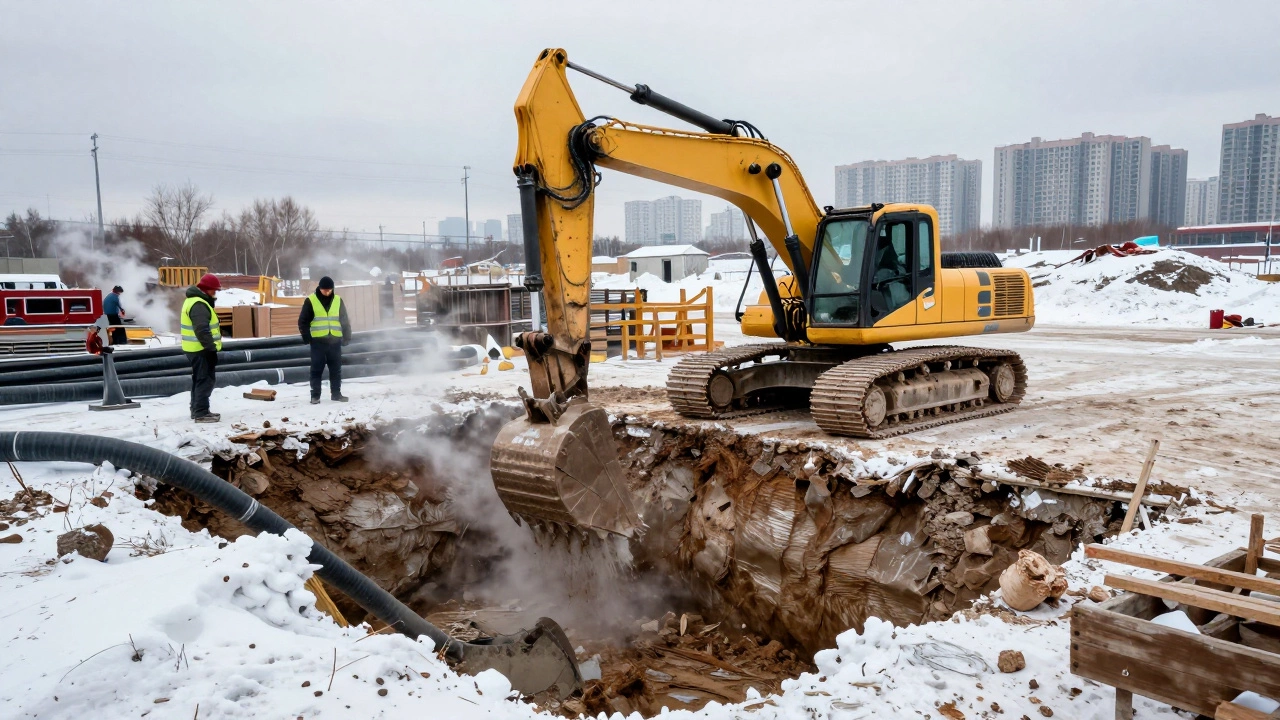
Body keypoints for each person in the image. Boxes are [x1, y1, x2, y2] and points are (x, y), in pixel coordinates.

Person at [298, 276, 351, 404]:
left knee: (336, 369)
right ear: (319, 288)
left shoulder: (338, 300)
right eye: (324, 290)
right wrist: (307, 337)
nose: (327, 292)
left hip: (334, 341)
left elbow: (344, 320)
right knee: (316, 369)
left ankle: (336, 394)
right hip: (318, 342)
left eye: (329, 290)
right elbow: (303, 321)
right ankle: (315, 396)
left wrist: (347, 335)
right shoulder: (311, 301)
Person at [181, 273, 223, 423]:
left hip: (195, 349)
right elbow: (202, 329)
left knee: (200, 379)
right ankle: (201, 412)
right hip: (201, 349)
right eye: (214, 290)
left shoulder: (193, 301)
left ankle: (198, 409)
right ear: (206, 289)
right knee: (205, 380)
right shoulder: (199, 304)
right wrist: (211, 348)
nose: (215, 293)